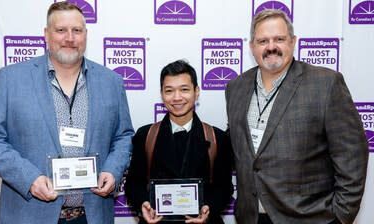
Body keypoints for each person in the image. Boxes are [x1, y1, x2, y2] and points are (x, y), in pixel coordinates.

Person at [0, 2, 134, 224]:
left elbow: (123, 136)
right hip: (29, 215)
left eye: (76, 31)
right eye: (61, 30)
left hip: (92, 215)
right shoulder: (11, 79)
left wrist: (113, 170)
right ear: (46, 35)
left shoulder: (112, 82)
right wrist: (29, 178)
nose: (69, 38)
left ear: (85, 35)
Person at [225, 9, 368, 224]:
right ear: (252, 46)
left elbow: (352, 154)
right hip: (252, 217)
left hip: (309, 218)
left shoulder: (325, 84)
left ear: (293, 42)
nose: (271, 46)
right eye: (263, 40)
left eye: (279, 39)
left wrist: (341, 217)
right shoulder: (235, 87)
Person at [124, 60, 233, 224]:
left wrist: (209, 208)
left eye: (184, 90)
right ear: (161, 94)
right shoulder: (145, 136)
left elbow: (224, 187)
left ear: (196, 92)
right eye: (169, 91)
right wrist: (143, 204)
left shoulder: (217, 138)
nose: (177, 97)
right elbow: (133, 184)